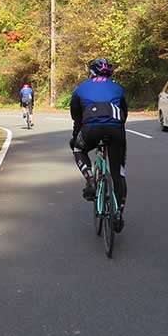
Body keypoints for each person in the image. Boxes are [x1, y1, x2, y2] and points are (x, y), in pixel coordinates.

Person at [69, 58, 128, 232]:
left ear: (91, 72)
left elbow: (77, 118)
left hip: (90, 129)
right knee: (119, 174)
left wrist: (75, 137)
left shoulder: (80, 88)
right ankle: (118, 214)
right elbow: (124, 114)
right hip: (116, 130)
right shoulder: (118, 88)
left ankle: (90, 180)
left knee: (78, 149)